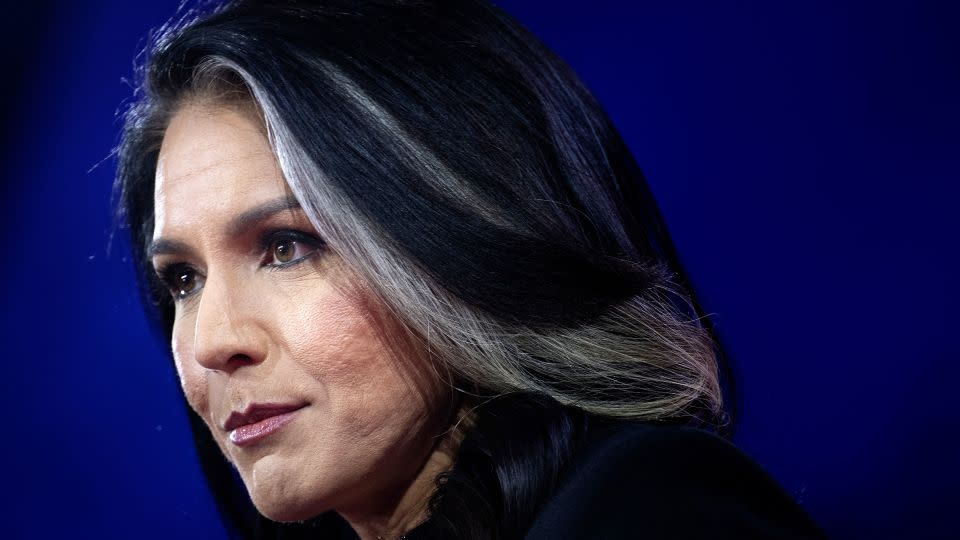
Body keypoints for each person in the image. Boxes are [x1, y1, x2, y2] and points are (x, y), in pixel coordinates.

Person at [115, 1, 827, 538]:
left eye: (287, 246)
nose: (211, 342)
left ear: (458, 239)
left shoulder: (646, 509)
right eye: (183, 278)